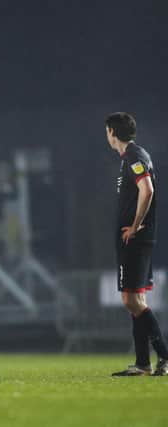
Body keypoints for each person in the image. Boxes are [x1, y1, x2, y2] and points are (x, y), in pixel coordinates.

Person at [106, 112, 168, 377]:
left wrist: (135, 225)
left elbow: (148, 189)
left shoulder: (134, 156)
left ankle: (164, 356)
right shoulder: (132, 156)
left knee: (131, 300)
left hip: (135, 238)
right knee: (137, 300)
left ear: (111, 132)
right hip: (138, 237)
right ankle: (143, 363)